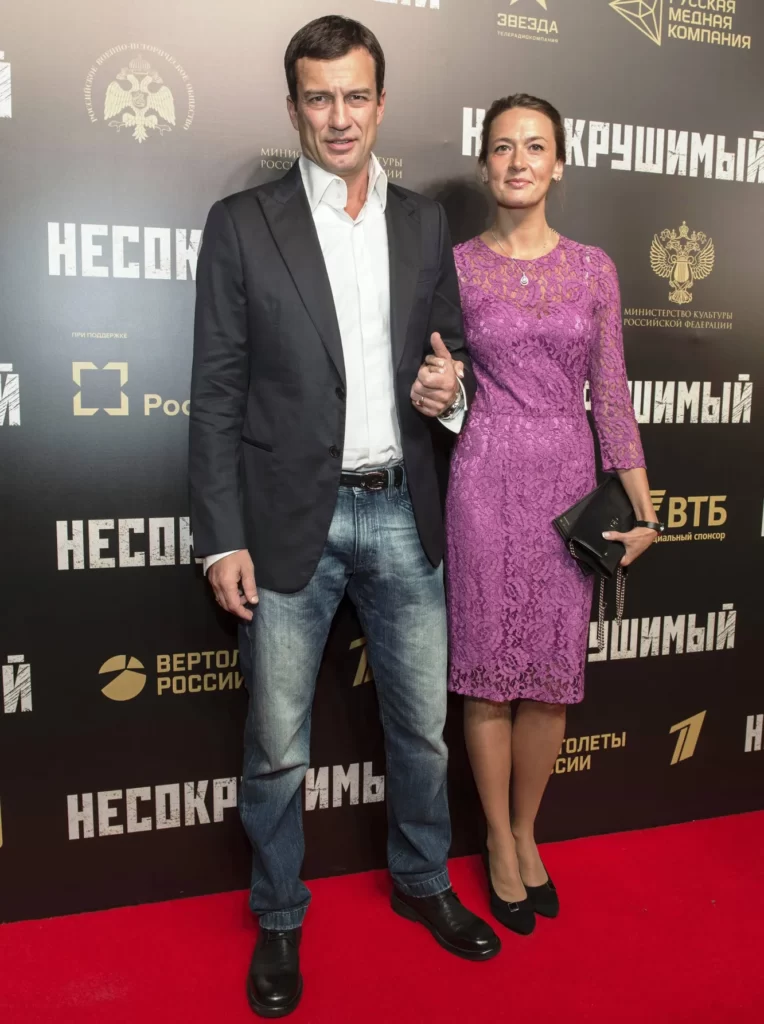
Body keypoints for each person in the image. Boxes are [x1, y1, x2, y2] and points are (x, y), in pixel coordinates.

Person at [189, 15, 500, 1019]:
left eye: (355, 95)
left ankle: (421, 880)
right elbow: (216, 394)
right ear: (292, 107)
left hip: (405, 509)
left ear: (381, 103)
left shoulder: (423, 222)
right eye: (318, 97)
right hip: (289, 520)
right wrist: (221, 537)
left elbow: (449, 357)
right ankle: (279, 913)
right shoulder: (242, 224)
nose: (338, 116)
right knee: (277, 743)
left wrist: (450, 391)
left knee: (421, 732)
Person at [444, 94, 662, 936]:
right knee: (488, 676)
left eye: (535, 146)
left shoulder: (595, 269)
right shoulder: (456, 267)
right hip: (484, 479)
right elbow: (437, 381)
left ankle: (528, 828)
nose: (519, 161)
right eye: (503, 147)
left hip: (570, 488)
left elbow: (612, 395)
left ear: (559, 164)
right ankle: (497, 841)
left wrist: (645, 512)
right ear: (485, 164)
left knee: (549, 678)